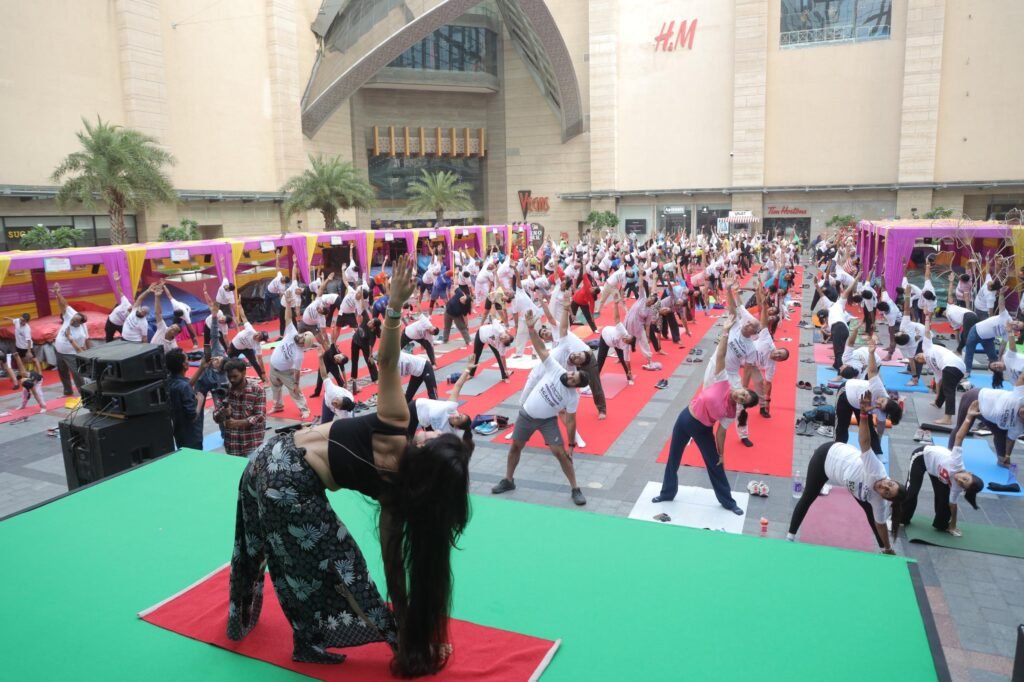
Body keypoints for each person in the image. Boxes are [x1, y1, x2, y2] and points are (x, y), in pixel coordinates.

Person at [227, 255, 472, 675]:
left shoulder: (396, 469)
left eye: (434, 440)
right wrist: (393, 307)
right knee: (337, 562)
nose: (428, 432)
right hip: (283, 470)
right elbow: (390, 362)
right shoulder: (396, 462)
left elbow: (396, 569)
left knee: (292, 554)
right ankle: (328, 641)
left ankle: (297, 637)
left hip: (273, 459)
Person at [653, 317, 758, 515]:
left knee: (715, 465)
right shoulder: (724, 380)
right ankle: (667, 493)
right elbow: (721, 356)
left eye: (743, 399)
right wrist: (725, 332)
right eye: (743, 392)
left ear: (742, 404)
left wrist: (721, 454)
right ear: (742, 388)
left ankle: (728, 502)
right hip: (685, 419)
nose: (741, 395)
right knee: (673, 458)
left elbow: (721, 433)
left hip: (703, 429)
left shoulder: (731, 411)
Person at [491, 311, 590, 506]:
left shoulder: (571, 397)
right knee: (515, 447)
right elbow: (541, 350)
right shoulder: (557, 370)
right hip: (526, 415)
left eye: (573, 380)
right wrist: (530, 328)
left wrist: (571, 445)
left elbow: (570, 421)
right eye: (572, 375)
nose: (569, 378)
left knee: (561, 454)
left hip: (547, 422)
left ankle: (575, 489)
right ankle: (508, 480)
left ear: (575, 386)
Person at [787, 394, 905, 554]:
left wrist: (889, 548)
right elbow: (864, 442)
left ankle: (884, 549)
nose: (884, 486)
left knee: (871, 513)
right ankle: (789, 538)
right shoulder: (876, 470)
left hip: (852, 482)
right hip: (826, 457)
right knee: (808, 497)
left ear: (885, 498)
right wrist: (863, 416)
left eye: (887, 491)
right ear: (891, 480)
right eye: (889, 484)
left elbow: (881, 524)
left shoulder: (879, 502)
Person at [904, 401, 984, 536]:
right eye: (964, 478)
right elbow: (959, 437)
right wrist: (969, 417)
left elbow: (953, 505)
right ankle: (900, 518)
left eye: (962, 484)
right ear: (968, 472)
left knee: (945, 504)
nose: (959, 480)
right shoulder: (956, 462)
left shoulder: (957, 487)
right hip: (922, 457)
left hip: (938, 472)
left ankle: (942, 525)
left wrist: (952, 525)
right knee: (911, 491)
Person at [833, 336, 903, 455]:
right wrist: (871, 353)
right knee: (842, 427)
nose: (877, 403)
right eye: (881, 401)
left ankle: (877, 455)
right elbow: (872, 371)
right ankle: (837, 452)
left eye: (880, 406)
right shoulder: (878, 389)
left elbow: (880, 428)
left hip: (861, 404)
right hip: (846, 393)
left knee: (870, 431)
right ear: (886, 397)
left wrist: (879, 441)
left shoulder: (882, 412)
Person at [947, 370, 1024, 468]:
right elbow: (1022, 377)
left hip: (989, 417)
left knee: (1001, 433)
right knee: (962, 427)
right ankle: (949, 452)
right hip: (975, 398)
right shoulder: (1020, 396)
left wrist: (1007, 455)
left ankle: (1001, 460)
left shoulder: (1018, 427)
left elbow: (1010, 440)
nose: (1022, 411)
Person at [268, 290, 317, 420]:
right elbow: (288, 318)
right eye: (302, 335)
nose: (299, 337)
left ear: (303, 345)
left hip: (285, 372)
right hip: (273, 366)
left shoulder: (299, 354)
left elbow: (296, 371)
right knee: (275, 388)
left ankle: (304, 409)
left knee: (296, 392)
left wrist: (295, 384)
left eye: (302, 339)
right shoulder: (292, 333)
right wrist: (288, 304)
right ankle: (278, 405)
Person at [916, 314, 967, 426]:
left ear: (920, 352)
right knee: (945, 386)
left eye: (918, 355)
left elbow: (927, 331)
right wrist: (936, 398)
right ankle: (938, 403)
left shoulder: (926, 347)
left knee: (949, 390)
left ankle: (947, 418)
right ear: (922, 362)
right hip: (955, 367)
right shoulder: (933, 367)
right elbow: (938, 383)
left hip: (954, 365)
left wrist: (927, 317)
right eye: (918, 360)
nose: (918, 357)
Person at [213, 357, 266, 457]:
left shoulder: (257, 390)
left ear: (244, 372)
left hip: (252, 446)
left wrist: (235, 423)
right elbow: (216, 417)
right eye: (229, 377)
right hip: (232, 446)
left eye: (235, 376)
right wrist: (222, 413)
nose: (232, 380)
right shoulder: (224, 390)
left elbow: (260, 417)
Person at [407, 364, 474, 437]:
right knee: (408, 438)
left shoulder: (450, 433)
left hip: (427, 421)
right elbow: (458, 386)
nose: (456, 416)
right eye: (459, 415)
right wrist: (468, 369)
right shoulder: (450, 408)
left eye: (458, 419)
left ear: (456, 427)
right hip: (416, 407)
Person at [52, 283, 90, 397]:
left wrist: (69, 338)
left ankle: (83, 393)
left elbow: (79, 348)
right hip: (58, 350)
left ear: (80, 323)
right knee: (62, 372)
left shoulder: (81, 334)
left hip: (70, 354)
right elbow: (63, 305)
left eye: (75, 321)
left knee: (76, 373)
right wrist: (58, 293)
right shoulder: (72, 315)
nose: (72, 321)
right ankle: (67, 391)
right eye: (73, 318)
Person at [165, 348, 201, 450]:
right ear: (184, 365)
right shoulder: (184, 386)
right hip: (191, 434)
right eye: (186, 359)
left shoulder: (168, 381)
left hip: (178, 432)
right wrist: (200, 401)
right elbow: (192, 416)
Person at [228, 303, 269, 382]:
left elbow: (260, 359)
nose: (257, 337)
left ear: (260, 340)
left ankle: (263, 378)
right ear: (258, 333)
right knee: (229, 363)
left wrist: (263, 372)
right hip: (235, 346)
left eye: (259, 338)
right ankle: (229, 379)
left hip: (247, 348)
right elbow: (243, 317)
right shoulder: (250, 329)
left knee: (254, 362)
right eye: (258, 334)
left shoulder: (257, 345)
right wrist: (240, 306)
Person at [316, 351, 355, 424]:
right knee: (324, 423)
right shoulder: (332, 391)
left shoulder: (346, 414)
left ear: (340, 409)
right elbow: (324, 375)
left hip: (346, 411)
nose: (334, 401)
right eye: (337, 399)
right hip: (327, 401)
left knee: (350, 425)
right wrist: (321, 359)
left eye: (337, 404)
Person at [350, 317, 381, 392]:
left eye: (371, 323)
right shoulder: (365, 319)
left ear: (373, 326)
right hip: (355, 341)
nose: (369, 322)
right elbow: (362, 309)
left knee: (370, 361)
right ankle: (353, 376)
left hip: (365, 346)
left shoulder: (372, 334)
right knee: (354, 360)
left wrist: (370, 356)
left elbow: (370, 345)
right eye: (370, 320)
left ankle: (375, 378)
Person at [149, 283, 182, 353]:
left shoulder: (173, 346)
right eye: (171, 326)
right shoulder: (163, 327)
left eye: (174, 329)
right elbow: (158, 313)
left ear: (175, 334)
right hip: (149, 353)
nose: (170, 328)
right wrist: (157, 297)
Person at [105, 270, 134, 342]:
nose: (130, 308)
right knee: (109, 338)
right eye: (131, 307)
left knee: (126, 338)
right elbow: (120, 291)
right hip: (110, 321)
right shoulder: (126, 303)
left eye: (132, 309)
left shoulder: (132, 315)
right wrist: (117, 281)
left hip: (120, 325)